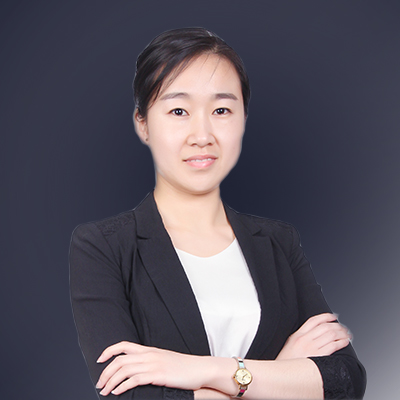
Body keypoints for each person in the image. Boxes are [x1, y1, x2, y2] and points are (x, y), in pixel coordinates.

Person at [69, 27, 366, 399]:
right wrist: (279, 372)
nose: (202, 135)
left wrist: (204, 369)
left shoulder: (278, 242)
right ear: (142, 123)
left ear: (243, 119)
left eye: (222, 110)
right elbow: (129, 395)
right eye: (179, 111)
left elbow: (345, 380)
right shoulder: (102, 247)